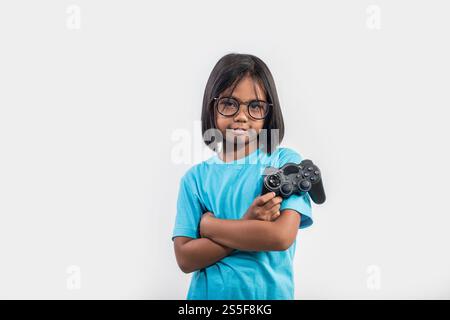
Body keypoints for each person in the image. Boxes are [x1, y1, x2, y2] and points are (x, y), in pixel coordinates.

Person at [172, 53, 313, 300]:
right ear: (211, 107)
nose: (241, 116)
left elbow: (280, 237)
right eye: (229, 103)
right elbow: (185, 258)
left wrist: (210, 226)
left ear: (269, 113)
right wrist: (250, 220)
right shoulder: (195, 179)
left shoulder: (284, 163)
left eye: (255, 106)